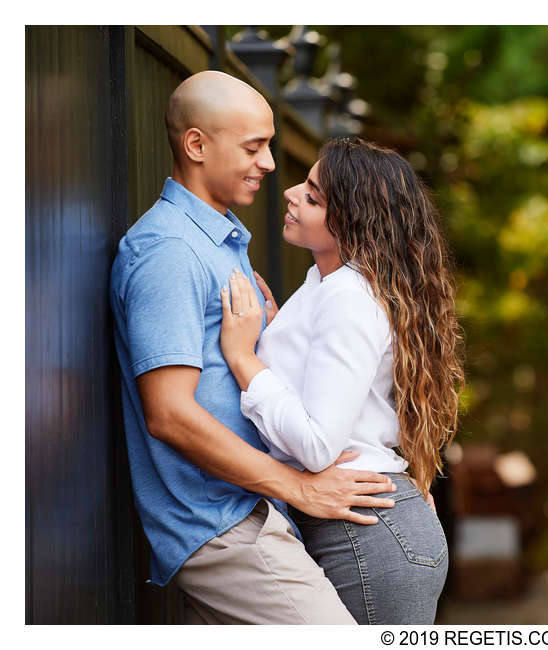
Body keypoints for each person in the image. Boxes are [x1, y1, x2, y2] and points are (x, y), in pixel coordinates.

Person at [109, 71, 397, 625]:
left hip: (253, 510)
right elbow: (169, 414)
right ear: (196, 145)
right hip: (222, 523)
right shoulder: (169, 252)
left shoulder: (221, 240)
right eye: (253, 146)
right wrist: (300, 488)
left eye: (269, 143)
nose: (269, 163)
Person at [218, 137, 465, 624]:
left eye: (312, 197)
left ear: (351, 222)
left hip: (366, 535)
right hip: (369, 528)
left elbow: (316, 445)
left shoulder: (349, 296)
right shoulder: (327, 284)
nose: (289, 192)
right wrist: (273, 334)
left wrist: (243, 357)